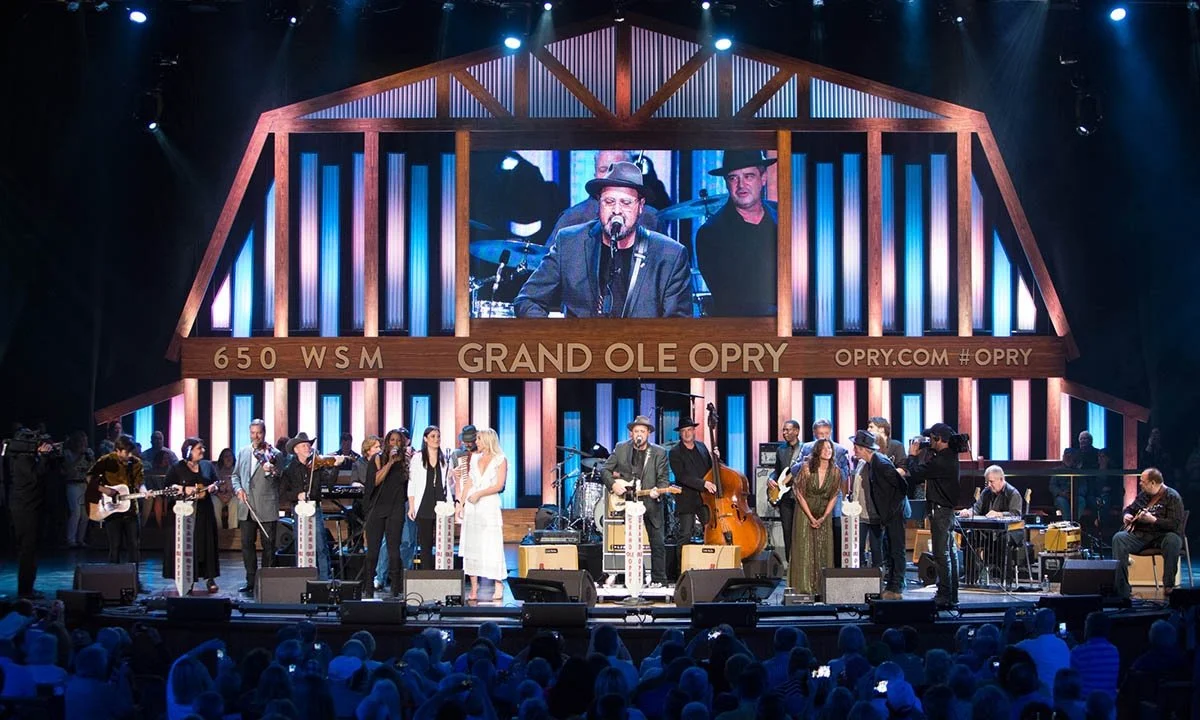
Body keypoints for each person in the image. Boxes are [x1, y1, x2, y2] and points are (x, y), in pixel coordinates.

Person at [513, 161, 692, 318]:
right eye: (609, 202)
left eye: (626, 203)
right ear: (599, 204)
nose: (617, 210)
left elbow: (677, 326)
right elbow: (527, 300)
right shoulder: (569, 243)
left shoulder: (670, 255)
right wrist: (557, 337)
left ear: (640, 206)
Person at [694, 149, 778, 317]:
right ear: (726, 183)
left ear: (763, 178)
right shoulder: (710, 234)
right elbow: (730, 302)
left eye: (748, 176)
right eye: (733, 178)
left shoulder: (785, 216)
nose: (741, 185)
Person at [602, 416, 671, 587]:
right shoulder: (621, 448)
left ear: (648, 434)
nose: (639, 434)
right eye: (636, 431)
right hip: (630, 503)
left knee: (657, 543)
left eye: (642, 431)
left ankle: (659, 580)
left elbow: (664, 480)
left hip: (652, 504)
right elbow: (605, 470)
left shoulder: (659, 453)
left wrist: (658, 491)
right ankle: (636, 579)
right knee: (632, 543)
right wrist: (614, 485)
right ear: (631, 434)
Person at [899, 422, 962, 608]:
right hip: (946, 511)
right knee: (949, 552)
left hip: (940, 511)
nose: (929, 441)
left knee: (941, 554)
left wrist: (912, 456)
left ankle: (945, 595)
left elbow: (916, 474)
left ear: (939, 439)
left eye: (931, 438)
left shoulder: (942, 461)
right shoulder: (948, 456)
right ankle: (952, 594)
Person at [547, 150, 663, 240]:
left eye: (617, 169)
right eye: (603, 170)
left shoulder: (651, 218)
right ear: (595, 174)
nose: (609, 176)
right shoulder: (570, 218)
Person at [849, 430, 907, 599]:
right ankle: (891, 586)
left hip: (894, 512)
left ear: (863, 449)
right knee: (890, 550)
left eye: (856, 447)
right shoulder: (871, 463)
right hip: (888, 513)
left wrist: (891, 510)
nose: (854, 450)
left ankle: (896, 587)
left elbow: (901, 486)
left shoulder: (881, 463)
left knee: (896, 550)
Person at [1111, 467, 1185, 598]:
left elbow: (1174, 524)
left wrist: (1153, 520)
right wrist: (1126, 515)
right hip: (1142, 536)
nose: (1140, 484)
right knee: (1119, 538)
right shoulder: (1144, 495)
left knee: (1173, 540)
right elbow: (1130, 509)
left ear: (1153, 483)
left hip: (1163, 536)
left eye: (1143, 481)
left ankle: (1169, 586)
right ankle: (1121, 589)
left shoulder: (1172, 497)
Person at [279, 432, 343, 580]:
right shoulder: (289, 469)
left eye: (308, 445)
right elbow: (282, 493)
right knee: (301, 545)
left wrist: (335, 467)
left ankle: (325, 578)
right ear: (296, 450)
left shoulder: (316, 466)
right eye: (304, 446)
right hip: (299, 509)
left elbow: (329, 484)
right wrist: (297, 495)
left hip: (315, 507)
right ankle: (303, 577)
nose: (307, 448)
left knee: (320, 544)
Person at [163, 437, 221, 594]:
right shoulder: (177, 468)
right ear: (189, 451)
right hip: (184, 513)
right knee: (188, 544)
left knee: (207, 544)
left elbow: (216, 482)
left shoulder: (207, 466)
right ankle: (186, 579)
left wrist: (214, 488)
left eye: (202, 447)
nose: (203, 451)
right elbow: (167, 488)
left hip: (204, 511)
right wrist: (183, 489)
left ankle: (210, 578)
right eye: (199, 448)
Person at [786, 438, 842, 596]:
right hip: (805, 511)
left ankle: (821, 588)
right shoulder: (806, 468)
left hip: (824, 513)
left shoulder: (835, 471)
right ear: (817, 451)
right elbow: (799, 493)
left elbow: (834, 495)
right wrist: (811, 517)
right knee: (804, 548)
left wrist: (824, 517)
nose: (828, 451)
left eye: (830, 448)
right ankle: (803, 588)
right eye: (824, 448)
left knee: (824, 548)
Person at [231, 419, 281, 596]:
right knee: (247, 544)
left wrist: (271, 470)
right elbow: (235, 476)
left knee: (268, 545)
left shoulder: (275, 454)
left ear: (264, 433)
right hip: (247, 506)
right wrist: (238, 490)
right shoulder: (243, 451)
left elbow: (280, 478)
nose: (256, 436)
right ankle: (251, 581)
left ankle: (267, 581)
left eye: (259, 432)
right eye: (253, 433)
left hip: (266, 505)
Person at [459, 427, 509, 602]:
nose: (476, 442)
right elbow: (469, 482)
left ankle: (498, 583)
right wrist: (461, 502)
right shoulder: (474, 458)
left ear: (487, 441)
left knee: (492, 545)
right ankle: (474, 587)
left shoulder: (500, 459)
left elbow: (499, 485)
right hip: (472, 507)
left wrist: (479, 494)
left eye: (479, 439)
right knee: (472, 545)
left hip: (489, 506)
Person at [7, 429, 58, 598]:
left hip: (32, 507)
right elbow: (35, 477)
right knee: (27, 550)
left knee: (32, 550)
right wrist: (43, 457)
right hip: (25, 508)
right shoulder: (21, 459)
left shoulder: (27, 457)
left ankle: (28, 588)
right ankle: (25, 590)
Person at [795, 419, 853, 567]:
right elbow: (794, 469)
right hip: (811, 495)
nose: (823, 437)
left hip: (832, 495)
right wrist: (807, 462)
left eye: (826, 433)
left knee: (835, 528)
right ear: (814, 433)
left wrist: (831, 468)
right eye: (820, 434)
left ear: (831, 432)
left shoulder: (840, 450)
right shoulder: (806, 448)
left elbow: (845, 476)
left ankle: (835, 566)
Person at [957, 465, 1024, 585]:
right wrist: (968, 512)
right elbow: (976, 509)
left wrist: (1000, 514)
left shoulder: (1013, 493)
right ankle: (970, 576)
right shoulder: (986, 492)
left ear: (1001, 479)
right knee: (969, 536)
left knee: (1003, 540)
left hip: (1010, 532)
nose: (989, 485)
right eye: (987, 482)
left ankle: (1006, 579)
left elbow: (1016, 515)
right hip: (989, 532)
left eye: (991, 482)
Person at [88, 434, 145, 570]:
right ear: (118, 450)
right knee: (115, 546)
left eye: (131, 452)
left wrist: (145, 491)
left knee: (134, 545)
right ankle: (113, 576)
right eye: (126, 452)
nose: (130, 455)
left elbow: (140, 482)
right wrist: (104, 490)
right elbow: (90, 477)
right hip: (112, 509)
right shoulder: (106, 460)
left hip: (131, 509)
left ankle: (134, 577)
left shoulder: (136, 463)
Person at [365, 428, 410, 598]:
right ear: (387, 442)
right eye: (392, 440)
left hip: (396, 508)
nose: (395, 444)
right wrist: (390, 462)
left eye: (398, 441)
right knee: (373, 551)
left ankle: (395, 588)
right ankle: (368, 588)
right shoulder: (378, 458)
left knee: (394, 549)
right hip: (377, 508)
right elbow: (375, 481)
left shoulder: (406, 461)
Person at [666, 418, 715, 545]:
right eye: (683, 431)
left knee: (710, 531)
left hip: (705, 498)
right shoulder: (674, 452)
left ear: (694, 431)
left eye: (689, 430)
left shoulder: (702, 447)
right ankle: (681, 559)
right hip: (687, 498)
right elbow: (682, 476)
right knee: (686, 535)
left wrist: (717, 458)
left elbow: (711, 468)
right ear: (680, 433)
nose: (687, 433)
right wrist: (703, 484)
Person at [409, 426, 451, 569]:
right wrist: (412, 506)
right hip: (424, 503)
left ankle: (442, 571)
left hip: (441, 503)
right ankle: (426, 572)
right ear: (425, 439)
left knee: (442, 541)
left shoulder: (444, 458)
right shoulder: (417, 458)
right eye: (433, 436)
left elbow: (448, 483)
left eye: (438, 436)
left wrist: (452, 477)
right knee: (425, 542)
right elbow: (412, 483)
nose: (436, 439)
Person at [767, 420, 802, 562]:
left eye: (788, 430)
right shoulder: (781, 450)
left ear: (797, 431)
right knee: (787, 531)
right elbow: (777, 470)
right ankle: (790, 562)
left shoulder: (805, 449)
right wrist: (770, 478)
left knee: (799, 532)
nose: (784, 433)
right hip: (785, 497)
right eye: (783, 430)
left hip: (800, 497)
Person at [64, 430, 94, 549]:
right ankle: (70, 539)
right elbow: (69, 469)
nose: (83, 444)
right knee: (75, 512)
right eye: (81, 441)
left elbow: (92, 468)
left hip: (84, 484)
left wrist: (90, 460)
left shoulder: (89, 452)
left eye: (85, 441)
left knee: (85, 514)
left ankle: (80, 539)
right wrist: (80, 456)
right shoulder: (68, 453)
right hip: (73, 484)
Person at [212, 448, 238, 530]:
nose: (228, 458)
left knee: (236, 502)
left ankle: (233, 530)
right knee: (214, 501)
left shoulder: (237, 469)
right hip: (219, 496)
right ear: (222, 459)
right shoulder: (216, 470)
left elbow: (240, 486)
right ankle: (218, 530)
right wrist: (219, 495)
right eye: (226, 456)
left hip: (233, 495)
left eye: (230, 456)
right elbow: (212, 486)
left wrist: (231, 494)